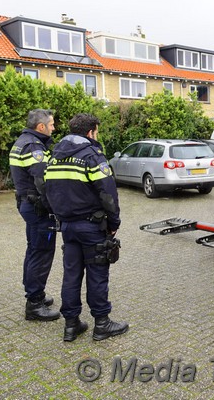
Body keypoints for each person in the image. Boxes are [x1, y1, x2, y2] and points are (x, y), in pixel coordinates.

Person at [44, 113, 128, 342]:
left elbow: (46, 190)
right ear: (91, 132)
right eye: (96, 131)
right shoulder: (92, 156)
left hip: (67, 227)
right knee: (97, 273)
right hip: (92, 227)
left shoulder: (54, 157)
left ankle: (71, 325)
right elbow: (108, 193)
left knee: (71, 275)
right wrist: (114, 223)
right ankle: (102, 324)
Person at [9, 109, 60, 321]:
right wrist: (54, 208)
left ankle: (34, 292)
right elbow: (42, 181)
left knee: (34, 250)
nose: (54, 127)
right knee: (41, 253)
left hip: (28, 205)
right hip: (38, 208)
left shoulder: (23, 141)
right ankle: (34, 305)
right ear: (41, 127)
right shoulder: (33, 146)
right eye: (51, 124)